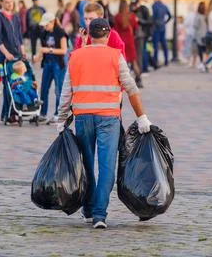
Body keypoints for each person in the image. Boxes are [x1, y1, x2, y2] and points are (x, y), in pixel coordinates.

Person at [56, 18, 152, 229]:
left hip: (83, 118)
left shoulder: (76, 56)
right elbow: (131, 88)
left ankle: (88, 210)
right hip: (108, 118)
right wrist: (141, 116)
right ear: (108, 35)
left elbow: (66, 91)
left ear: (89, 35)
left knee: (88, 166)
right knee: (107, 168)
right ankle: (99, 215)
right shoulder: (115, 56)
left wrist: (61, 119)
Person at [0, 0, 25, 122]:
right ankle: (7, 114)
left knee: (18, 83)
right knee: (7, 85)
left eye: (11, 2)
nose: (10, 4)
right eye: (7, 2)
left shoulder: (15, 16)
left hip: (17, 55)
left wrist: (22, 52)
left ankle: (16, 111)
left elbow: (19, 36)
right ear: (1, 3)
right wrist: (6, 54)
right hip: (4, 57)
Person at [33, 12, 67, 123]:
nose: (45, 27)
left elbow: (63, 50)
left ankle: (58, 114)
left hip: (58, 63)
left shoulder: (60, 33)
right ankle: (42, 113)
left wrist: (49, 50)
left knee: (58, 90)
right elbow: (42, 49)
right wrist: (37, 57)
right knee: (43, 88)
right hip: (47, 63)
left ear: (52, 22)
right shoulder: (44, 33)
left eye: (47, 25)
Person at [114, 0, 142, 87]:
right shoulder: (132, 16)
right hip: (130, 40)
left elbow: (116, 30)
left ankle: (121, 80)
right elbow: (135, 27)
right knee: (134, 61)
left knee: (121, 61)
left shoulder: (117, 17)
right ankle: (139, 79)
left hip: (121, 40)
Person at [130, 0, 152, 73]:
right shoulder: (130, 9)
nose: (134, 7)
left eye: (135, 5)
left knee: (142, 52)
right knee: (134, 53)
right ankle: (135, 68)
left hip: (143, 34)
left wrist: (139, 20)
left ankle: (143, 68)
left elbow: (149, 21)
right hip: (133, 35)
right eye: (132, 5)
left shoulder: (144, 9)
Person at [152, 0, 172, 67]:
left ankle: (155, 62)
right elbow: (170, 16)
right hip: (163, 26)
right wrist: (165, 22)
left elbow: (154, 16)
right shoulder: (164, 6)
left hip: (156, 27)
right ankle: (166, 60)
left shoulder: (154, 5)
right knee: (164, 44)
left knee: (156, 45)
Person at [191, 2, 208, 72]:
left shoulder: (197, 16)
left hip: (199, 35)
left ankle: (202, 62)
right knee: (205, 50)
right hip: (206, 34)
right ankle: (205, 62)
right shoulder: (206, 16)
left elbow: (195, 25)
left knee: (200, 50)